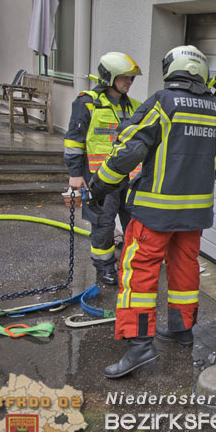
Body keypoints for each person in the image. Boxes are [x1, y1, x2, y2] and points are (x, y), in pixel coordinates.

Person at [87, 45, 216, 379]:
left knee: (139, 276)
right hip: (195, 214)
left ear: (175, 70)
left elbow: (128, 151)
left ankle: (139, 347)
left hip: (154, 213)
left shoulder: (162, 103)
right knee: (184, 269)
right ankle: (181, 329)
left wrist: (99, 186)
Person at [63, 52, 142, 286]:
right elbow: (74, 141)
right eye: (125, 77)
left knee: (134, 223)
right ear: (109, 77)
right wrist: (75, 174)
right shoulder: (86, 103)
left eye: (131, 78)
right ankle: (105, 266)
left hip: (131, 179)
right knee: (104, 224)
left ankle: (132, 264)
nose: (129, 82)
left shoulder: (135, 107)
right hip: (101, 180)